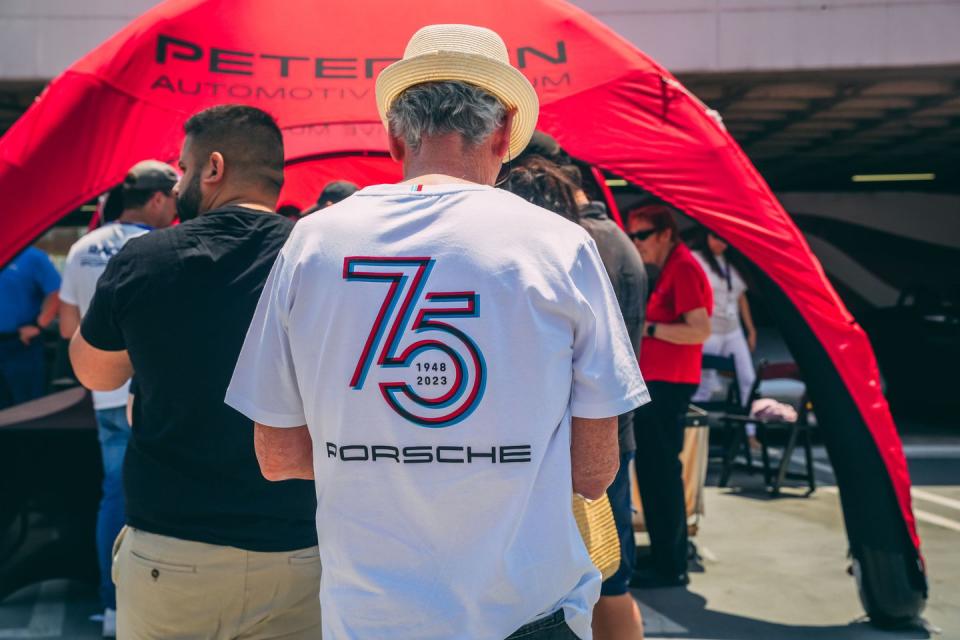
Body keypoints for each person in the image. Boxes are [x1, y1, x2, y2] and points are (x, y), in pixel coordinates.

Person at [226, 24, 648, 640]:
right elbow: (592, 471)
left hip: (370, 618)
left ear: (396, 135)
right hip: (529, 614)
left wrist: (387, 459)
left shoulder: (311, 244)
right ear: (504, 132)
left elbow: (279, 455)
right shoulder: (560, 246)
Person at [69, 105, 321, 640]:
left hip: (172, 550)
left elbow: (94, 372)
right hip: (298, 547)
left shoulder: (146, 258)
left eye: (181, 168)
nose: (179, 180)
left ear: (212, 168)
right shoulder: (319, 257)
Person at [502, 155, 648, 640]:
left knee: (592, 580)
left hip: (582, 440)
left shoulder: (574, 247)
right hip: (610, 431)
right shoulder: (615, 241)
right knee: (610, 579)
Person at [58, 159, 178, 636]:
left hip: (103, 395)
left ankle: (111, 607)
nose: (174, 207)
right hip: (156, 391)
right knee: (159, 496)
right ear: (156, 199)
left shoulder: (83, 247)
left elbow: (69, 329)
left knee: (114, 495)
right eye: (171, 198)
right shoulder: (158, 248)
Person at [626, 205, 712, 588]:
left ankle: (669, 562)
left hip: (668, 385)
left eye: (641, 235)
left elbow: (700, 329)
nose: (635, 243)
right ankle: (667, 555)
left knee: (661, 475)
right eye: (632, 236)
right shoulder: (671, 268)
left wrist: (649, 330)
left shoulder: (684, 268)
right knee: (655, 473)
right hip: (658, 384)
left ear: (664, 234)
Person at [690, 230, 760, 447]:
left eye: (724, 239)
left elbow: (740, 297)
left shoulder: (730, 263)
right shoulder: (696, 259)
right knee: (704, 384)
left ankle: (750, 433)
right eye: (715, 237)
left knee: (747, 378)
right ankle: (694, 436)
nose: (721, 243)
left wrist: (751, 329)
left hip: (732, 329)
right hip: (708, 329)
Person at [0, 247, 60, 408]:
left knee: (27, 409)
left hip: (21, 345)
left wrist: (38, 325)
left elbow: (56, 292)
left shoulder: (31, 256)